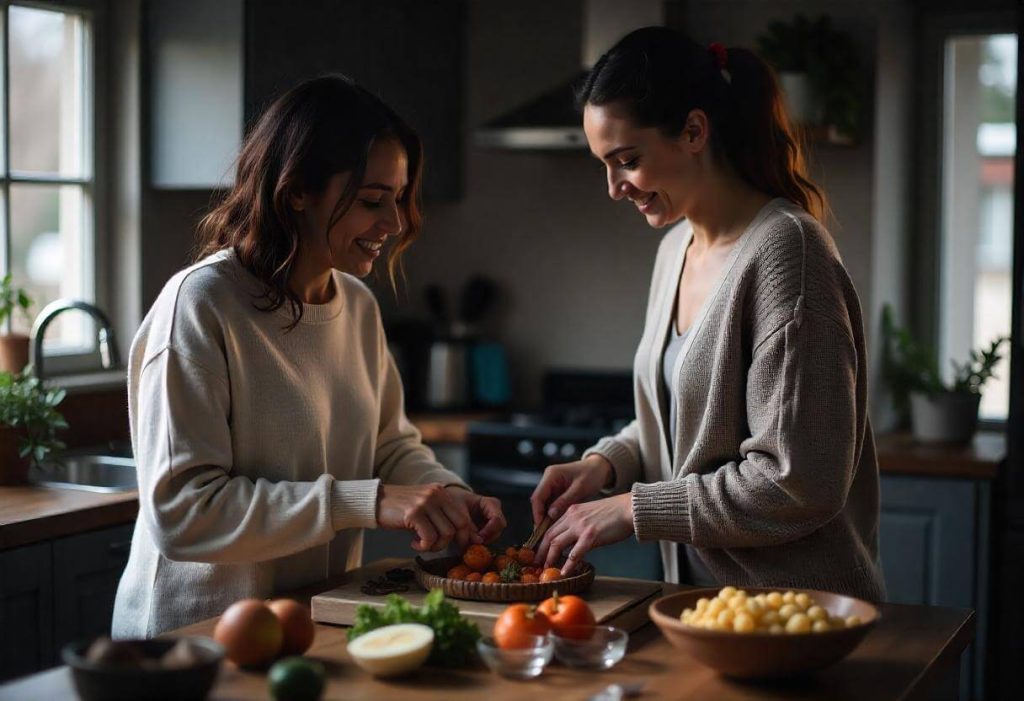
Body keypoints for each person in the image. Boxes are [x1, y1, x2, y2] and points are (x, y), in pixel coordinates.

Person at [113, 75, 505, 637]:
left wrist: (449, 498)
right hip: (193, 642)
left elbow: (389, 447)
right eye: (373, 201)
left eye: (397, 200)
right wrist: (364, 503)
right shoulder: (201, 305)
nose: (393, 225)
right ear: (297, 189)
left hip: (312, 623)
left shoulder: (359, 307)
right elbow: (183, 515)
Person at [530, 27, 885, 601]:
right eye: (604, 164)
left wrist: (632, 507)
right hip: (706, 611)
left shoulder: (788, 254)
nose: (614, 188)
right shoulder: (676, 249)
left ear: (694, 131)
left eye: (627, 160)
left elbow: (797, 482)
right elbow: (691, 423)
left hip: (797, 616)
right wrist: (606, 465)